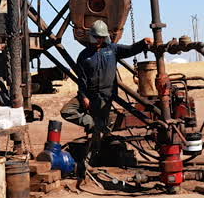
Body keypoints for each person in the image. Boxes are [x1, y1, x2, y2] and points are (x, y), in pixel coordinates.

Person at [61, 20, 152, 172]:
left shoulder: (112, 49)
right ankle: (93, 124)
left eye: (102, 38)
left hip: (106, 97)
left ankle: (91, 161)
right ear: (92, 37)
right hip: (89, 95)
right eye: (98, 37)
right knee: (67, 111)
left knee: (98, 132)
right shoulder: (84, 56)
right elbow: (82, 80)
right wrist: (83, 96)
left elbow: (130, 49)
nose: (100, 40)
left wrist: (143, 43)